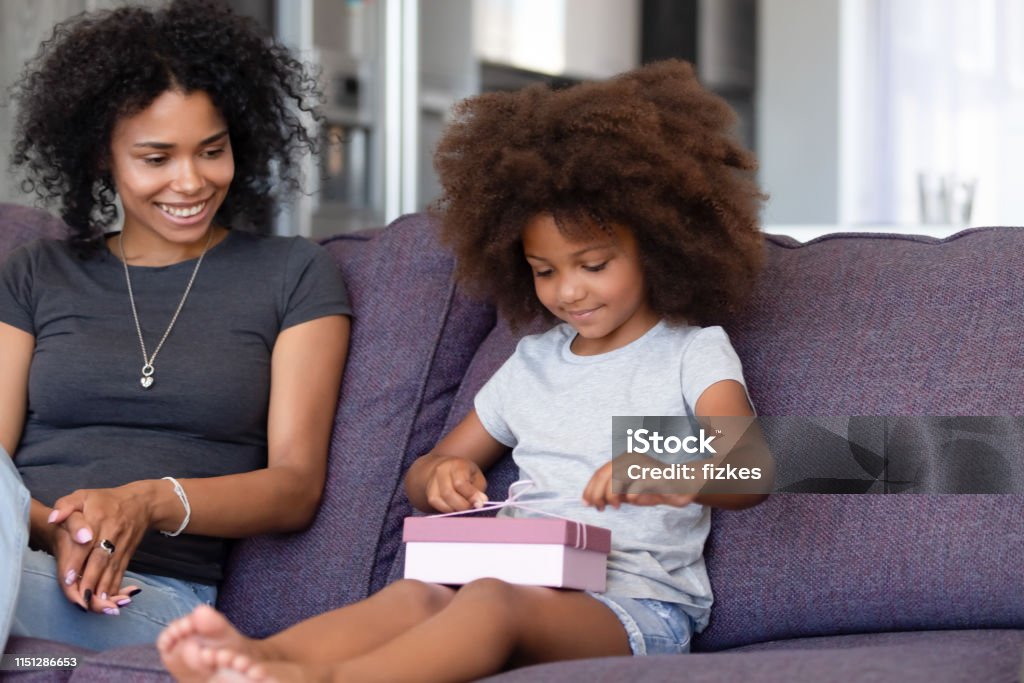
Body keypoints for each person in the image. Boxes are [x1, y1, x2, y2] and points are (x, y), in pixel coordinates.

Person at [157, 59, 769, 683]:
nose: (570, 291)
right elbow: (428, 473)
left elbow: (752, 468)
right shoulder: (532, 363)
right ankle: (260, 658)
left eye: (593, 263)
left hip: (635, 608)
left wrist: (660, 469)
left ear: (660, 245)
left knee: (487, 599)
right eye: (545, 270)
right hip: (521, 574)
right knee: (414, 594)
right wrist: (441, 476)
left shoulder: (689, 352)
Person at [0, 0, 351, 651]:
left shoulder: (293, 274)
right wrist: (62, 529)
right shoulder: (35, 273)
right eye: (156, 158)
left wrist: (146, 502)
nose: (191, 181)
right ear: (103, 156)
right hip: (23, 549)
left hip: (148, 597)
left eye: (211, 151)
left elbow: (295, 486)